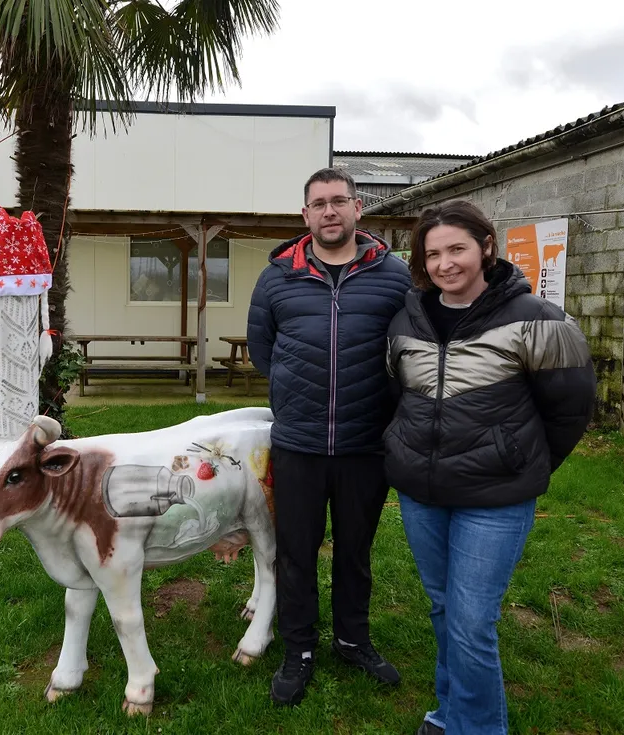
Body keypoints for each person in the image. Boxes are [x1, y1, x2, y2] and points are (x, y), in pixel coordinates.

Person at [384, 200, 597, 735]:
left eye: (456, 248)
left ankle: (476, 728)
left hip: (496, 498)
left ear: (486, 247)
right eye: (432, 254)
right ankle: (447, 713)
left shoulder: (537, 319)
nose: (445, 264)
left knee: (472, 622)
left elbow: (571, 408)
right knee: (443, 610)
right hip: (421, 494)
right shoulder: (407, 318)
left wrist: (520, 460)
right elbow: (398, 393)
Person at [247, 167, 412, 706]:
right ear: (305, 215)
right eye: (318, 204)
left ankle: (351, 638)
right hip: (298, 442)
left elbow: (408, 347)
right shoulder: (277, 277)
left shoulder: (394, 275)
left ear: (358, 208)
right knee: (295, 551)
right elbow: (264, 351)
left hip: (367, 442)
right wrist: (297, 398)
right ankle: (299, 649)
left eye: (339, 201)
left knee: (355, 549)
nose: (329, 212)